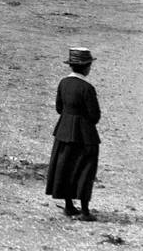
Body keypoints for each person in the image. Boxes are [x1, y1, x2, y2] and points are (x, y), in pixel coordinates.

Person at [45, 47, 100, 222]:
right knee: (85, 169)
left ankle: (69, 206)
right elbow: (94, 115)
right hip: (84, 134)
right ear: (86, 67)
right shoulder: (87, 88)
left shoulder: (63, 83)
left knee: (64, 168)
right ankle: (85, 210)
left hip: (63, 130)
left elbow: (59, 108)